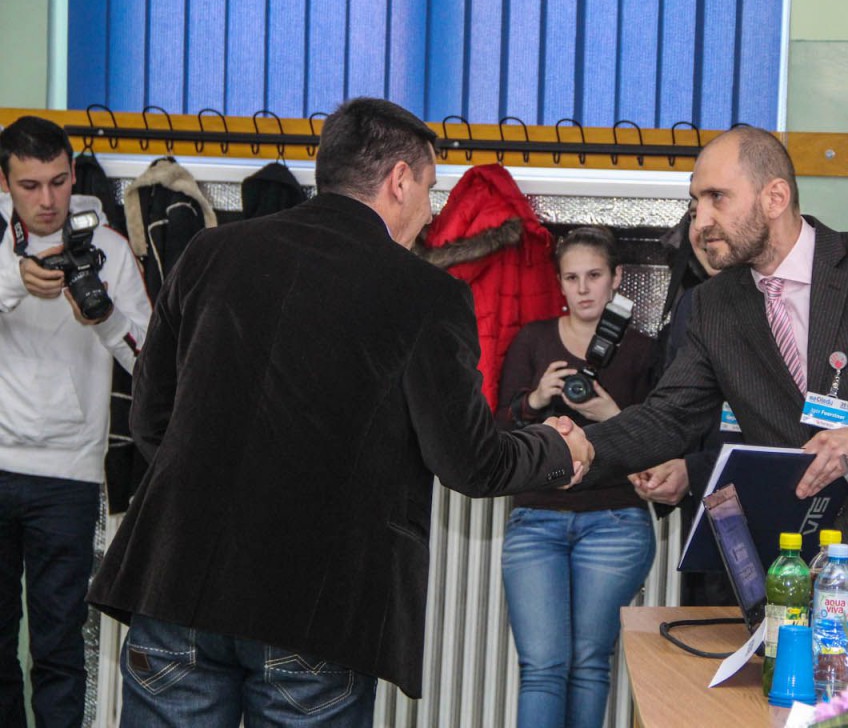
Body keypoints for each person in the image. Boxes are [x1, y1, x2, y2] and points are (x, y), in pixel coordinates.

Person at [86, 98, 593, 727]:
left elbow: (150, 420)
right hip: (315, 611)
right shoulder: (425, 294)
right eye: (429, 189)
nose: (430, 212)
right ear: (399, 180)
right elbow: (469, 461)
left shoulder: (209, 253)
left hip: (175, 585)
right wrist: (557, 448)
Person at [587, 125, 848, 602]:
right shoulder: (714, 305)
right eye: (694, 204)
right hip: (806, 571)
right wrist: (575, 450)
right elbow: (667, 416)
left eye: (716, 198)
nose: (700, 221)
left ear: (775, 197)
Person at [0, 116, 152, 727]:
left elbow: (152, 362)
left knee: (60, 647)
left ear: (72, 174)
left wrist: (105, 319)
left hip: (69, 477)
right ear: (5, 182)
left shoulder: (108, 248)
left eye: (59, 182)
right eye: (30, 185)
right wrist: (12, 279)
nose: (48, 200)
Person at [495, 226, 656, 728]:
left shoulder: (643, 350)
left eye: (594, 275)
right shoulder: (533, 340)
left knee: (588, 663)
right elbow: (497, 434)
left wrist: (609, 412)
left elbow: (661, 439)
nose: (583, 289)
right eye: (571, 278)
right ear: (560, 283)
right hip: (536, 518)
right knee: (542, 666)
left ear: (616, 278)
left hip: (615, 520)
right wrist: (535, 399)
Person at [629, 206, 738, 607]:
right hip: (703, 515)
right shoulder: (691, 304)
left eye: (718, 202)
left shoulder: (785, 304)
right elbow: (677, 404)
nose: (702, 226)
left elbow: (788, 435)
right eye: (693, 213)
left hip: (769, 529)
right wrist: (655, 459)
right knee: (701, 633)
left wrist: (693, 470)